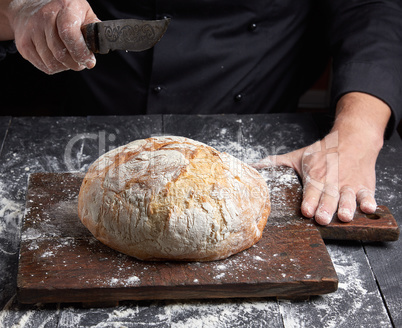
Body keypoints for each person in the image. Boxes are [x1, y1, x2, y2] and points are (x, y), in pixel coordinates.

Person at [0, 0, 401, 225]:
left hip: (263, 143)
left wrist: (358, 134)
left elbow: (372, 10)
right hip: (88, 128)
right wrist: (21, 7)